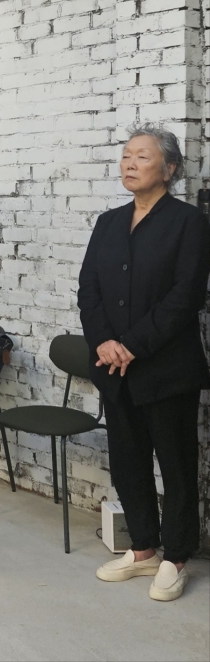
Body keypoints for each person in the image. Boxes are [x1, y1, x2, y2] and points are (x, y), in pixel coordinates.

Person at [78, 124, 210, 601]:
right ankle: (143, 549)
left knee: (175, 466)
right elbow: (88, 289)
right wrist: (105, 342)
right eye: (126, 156)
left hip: (166, 369)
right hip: (115, 370)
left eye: (142, 157)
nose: (129, 164)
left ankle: (175, 556)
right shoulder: (108, 222)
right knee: (127, 463)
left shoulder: (188, 222)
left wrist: (131, 344)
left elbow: (185, 296)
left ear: (169, 169)